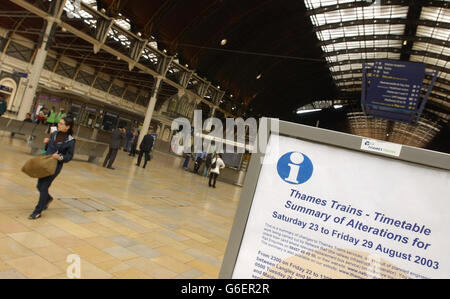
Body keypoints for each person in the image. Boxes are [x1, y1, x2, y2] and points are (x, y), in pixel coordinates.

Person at [28, 117, 75, 220]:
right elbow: (48, 149)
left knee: (44, 186)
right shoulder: (54, 134)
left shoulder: (70, 141)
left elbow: (69, 156)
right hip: (45, 162)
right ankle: (48, 198)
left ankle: (37, 211)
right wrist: (47, 142)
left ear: (67, 127)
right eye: (59, 123)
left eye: (62, 124)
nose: (59, 125)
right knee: (39, 186)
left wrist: (60, 157)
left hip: (55, 166)